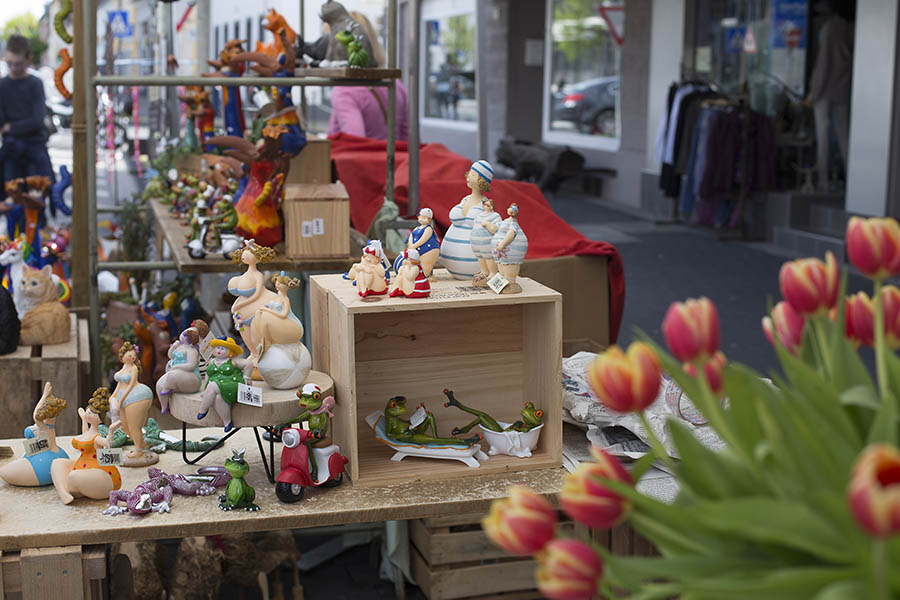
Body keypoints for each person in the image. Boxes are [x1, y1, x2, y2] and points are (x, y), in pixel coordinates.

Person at [326, 13, 409, 140]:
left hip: (364, 159)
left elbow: (356, 142)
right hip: (397, 159)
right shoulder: (396, 85)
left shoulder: (344, 91)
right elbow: (409, 138)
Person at [804, 0, 854, 191]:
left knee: (822, 135)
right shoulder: (849, 29)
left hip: (825, 89)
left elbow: (824, 63)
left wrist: (813, 92)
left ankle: (823, 180)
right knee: (844, 135)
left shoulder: (830, 28)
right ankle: (851, 179)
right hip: (842, 88)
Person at [0, 35, 54, 201]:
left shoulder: (35, 83)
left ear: (28, 59)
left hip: (34, 151)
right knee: (12, 203)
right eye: (10, 64)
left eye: (18, 64)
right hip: (11, 153)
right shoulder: (2, 85)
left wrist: (11, 127)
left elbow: (37, 120)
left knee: (35, 202)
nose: (14, 68)